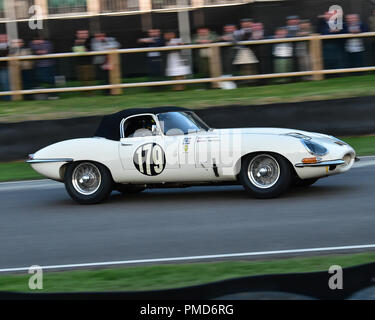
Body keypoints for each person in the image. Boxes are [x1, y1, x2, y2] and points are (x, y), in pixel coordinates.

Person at [0, 34, 10, 100]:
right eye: (1, 38)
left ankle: (7, 99)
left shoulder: (9, 46)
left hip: (4, 67)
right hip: (3, 67)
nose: (3, 39)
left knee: (5, 83)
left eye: (4, 38)